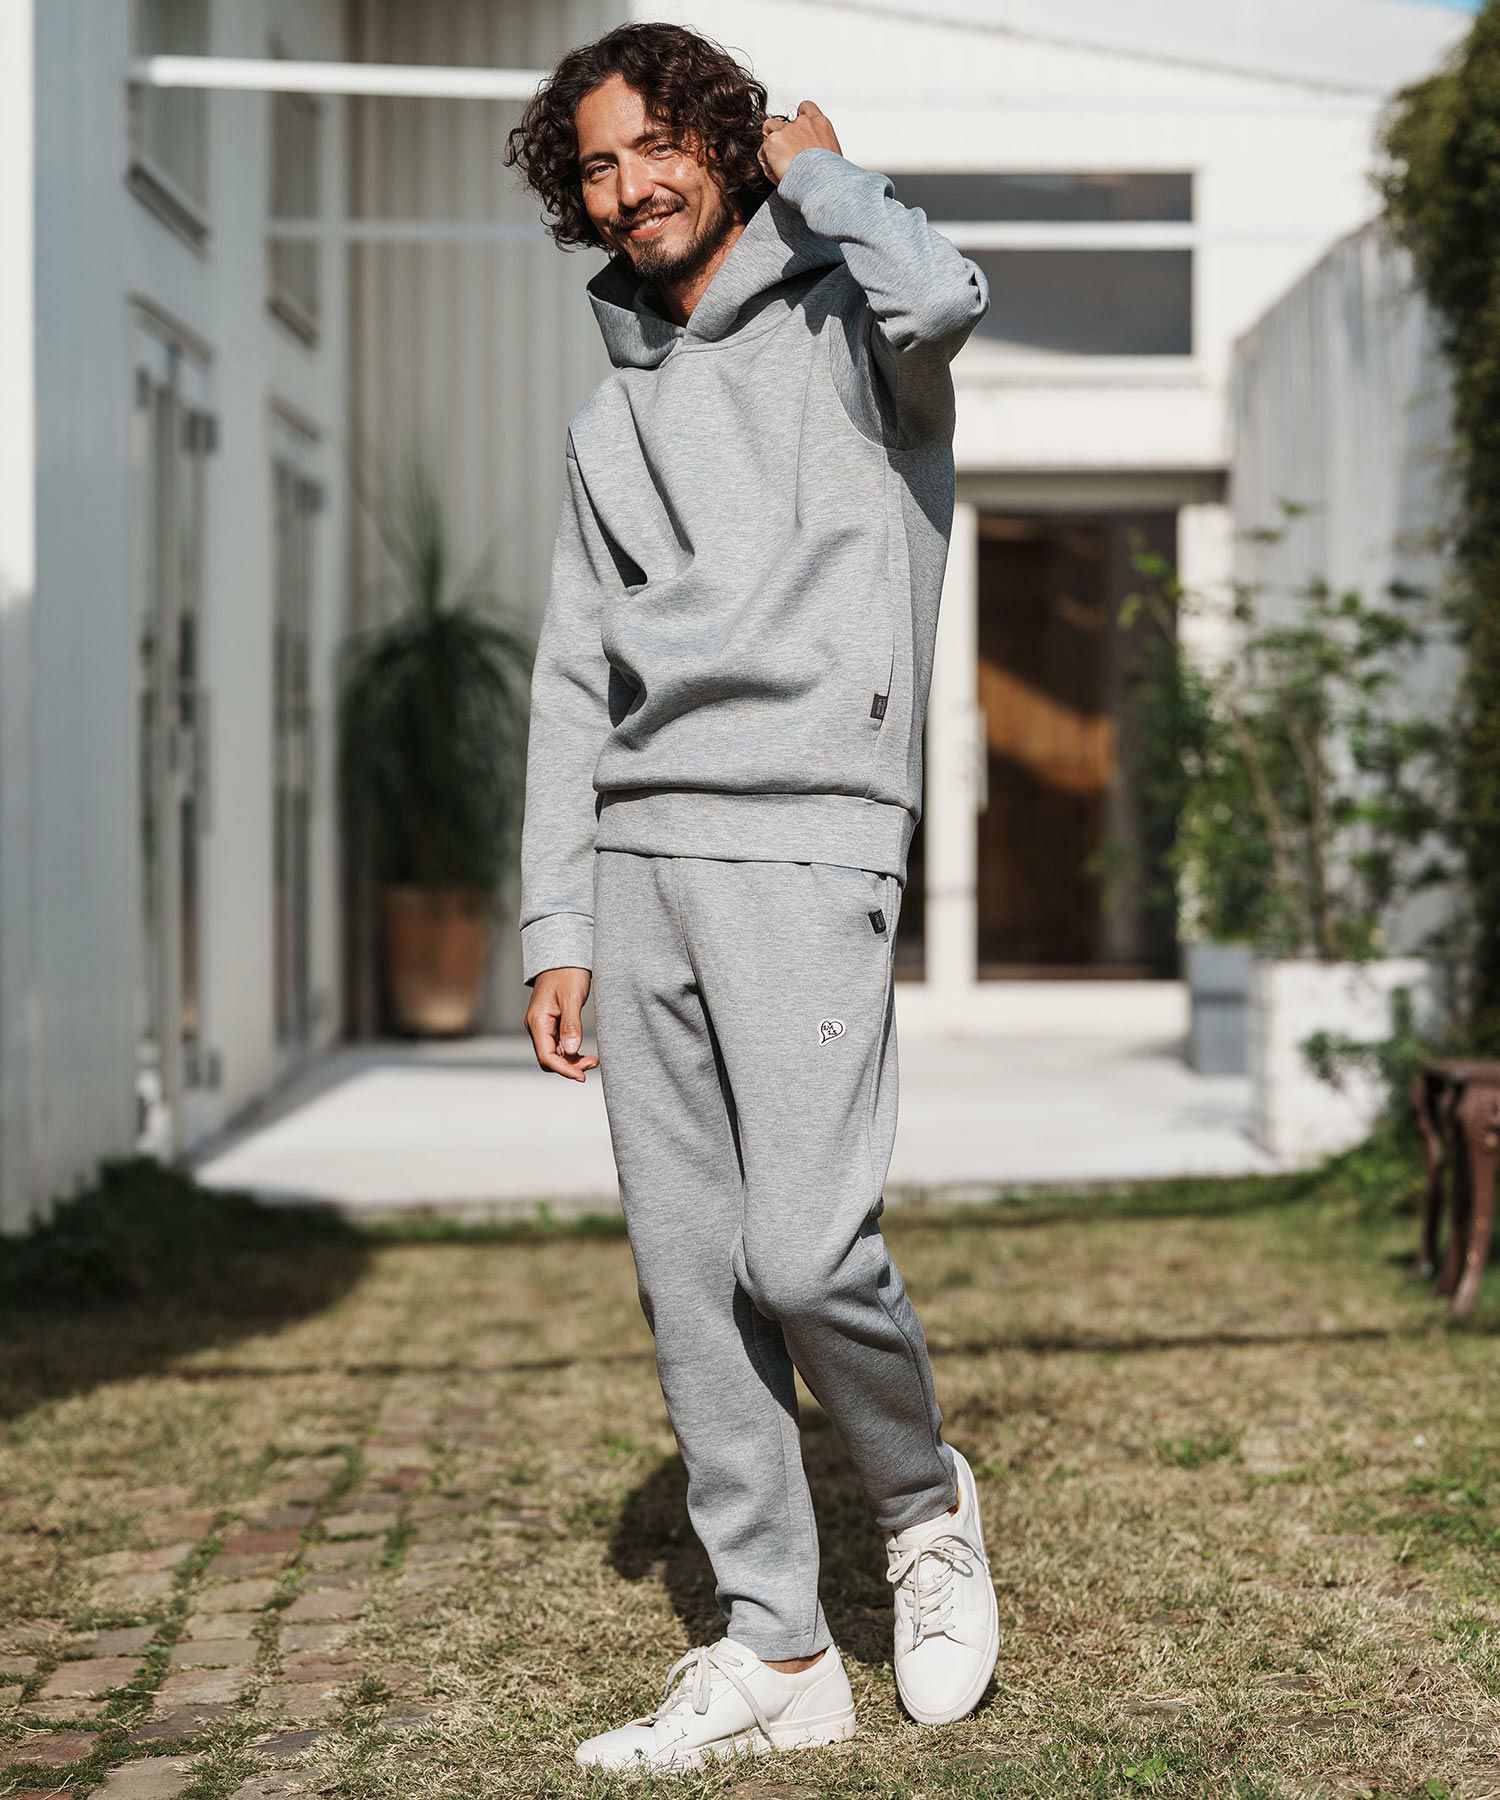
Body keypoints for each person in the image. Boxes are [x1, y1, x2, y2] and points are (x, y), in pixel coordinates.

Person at [505, 20, 999, 1774]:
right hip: (641, 859)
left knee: (803, 1249)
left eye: (657, 145)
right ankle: (778, 1644)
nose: (628, 187)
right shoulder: (607, 418)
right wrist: (557, 921)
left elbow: (947, 290)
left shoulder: (861, 332)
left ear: (722, 141)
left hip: (812, 831)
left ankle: (922, 1506)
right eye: (596, 166)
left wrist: (825, 174)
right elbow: (574, 677)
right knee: (691, 1274)